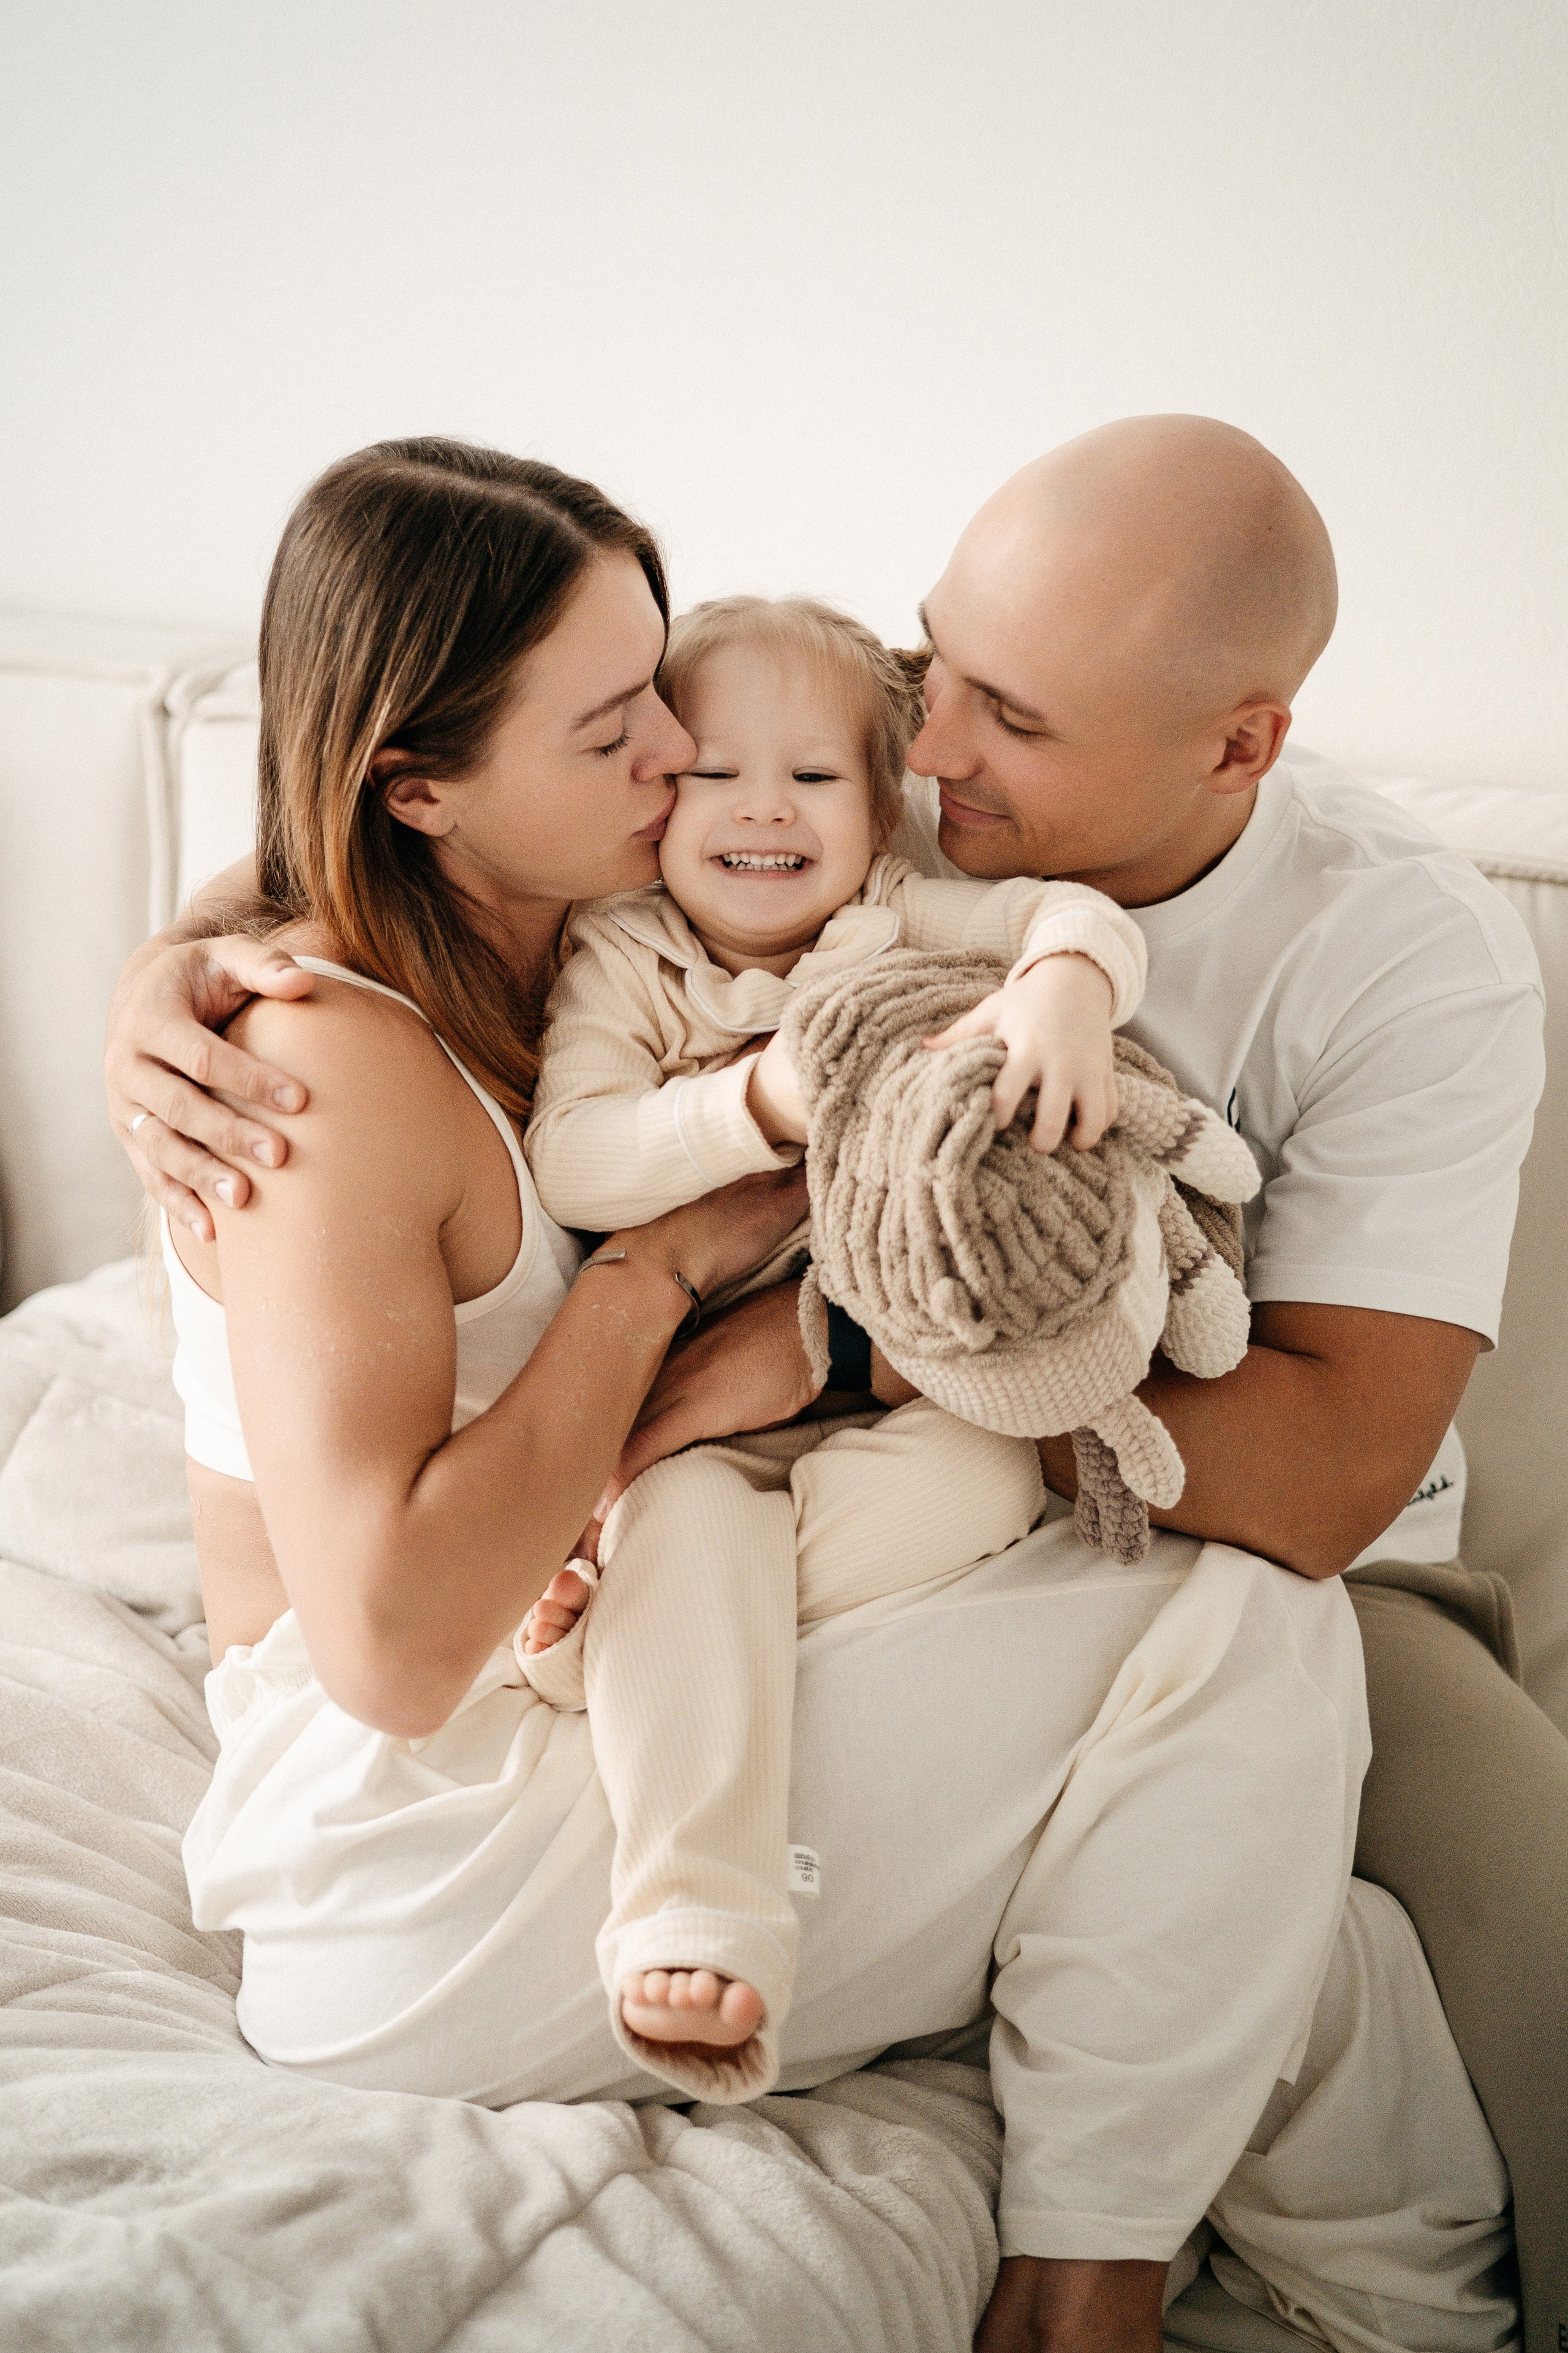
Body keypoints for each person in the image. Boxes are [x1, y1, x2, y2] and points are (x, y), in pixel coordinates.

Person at [103, 431, 1525, 2353]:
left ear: (1237, 748)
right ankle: (1142, 2286)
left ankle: (1335, 2276)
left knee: (1312, 1872)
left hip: (686, 1644)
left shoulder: (1369, 939)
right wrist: (659, 1278)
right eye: (633, 731)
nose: (706, 768)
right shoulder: (330, 1042)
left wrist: (838, 1341)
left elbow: (1334, 1477)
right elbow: (390, 1627)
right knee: (1252, 1664)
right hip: (425, 1814)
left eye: (992, 717)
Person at [515, 589, 1150, 2099]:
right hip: (700, 1408)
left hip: (900, 1390)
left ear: (883, 812)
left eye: (812, 778)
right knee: (682, 1510)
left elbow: (1071, 914)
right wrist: (756, 1105)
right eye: (713, 772)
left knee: (993, 1477)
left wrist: (1061, 990)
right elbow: (578, 1162)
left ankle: (626, 1631)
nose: (760, 810)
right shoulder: (623, 956)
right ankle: (699, 1909)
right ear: (654, 794)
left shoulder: (894, 919)